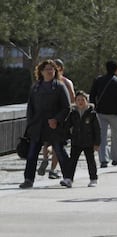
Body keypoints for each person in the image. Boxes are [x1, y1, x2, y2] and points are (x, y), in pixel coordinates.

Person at [19, 59, 71, 188]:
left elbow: (66, 107)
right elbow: (30, 107)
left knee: (60, 152)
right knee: (32, 154)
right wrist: (30, 123)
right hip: (37, 126)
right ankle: (28, 179)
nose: (49, 71)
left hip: (53, 126)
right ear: (41, 71)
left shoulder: (59, 86)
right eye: (47, 69)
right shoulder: (35, 87)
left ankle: (68, 177)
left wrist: (57, 120)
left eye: (52, 69)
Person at [37, 58, 75, 180]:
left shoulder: (50, 84)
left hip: (48, 120)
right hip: (59, 120)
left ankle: (45, 158)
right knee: (58, 147)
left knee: (49, 144)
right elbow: (72, 99)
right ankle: (53, 169)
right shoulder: (65, 82)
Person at [89, 60, 117, 168]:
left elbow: (92, 96)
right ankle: (116, 158)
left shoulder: (98, 80)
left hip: (101, 113)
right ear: (116, 69)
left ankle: (104, 160)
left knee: (102, 136)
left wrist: (93, 109)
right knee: (115, 136)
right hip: (115, 113)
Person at [64, 91, 100, 188]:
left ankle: (93, 179)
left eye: (82, 100)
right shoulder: (73, 113)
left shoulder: (92, 114)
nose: (80, 102)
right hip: (76, 141)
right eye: (78, 100)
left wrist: (97, 143)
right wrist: (66, 137)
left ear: (87, 101)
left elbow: (97, 129)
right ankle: (68, 179)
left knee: (90, 161)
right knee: (72, 161)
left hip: (89, 142)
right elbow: (67, 126)